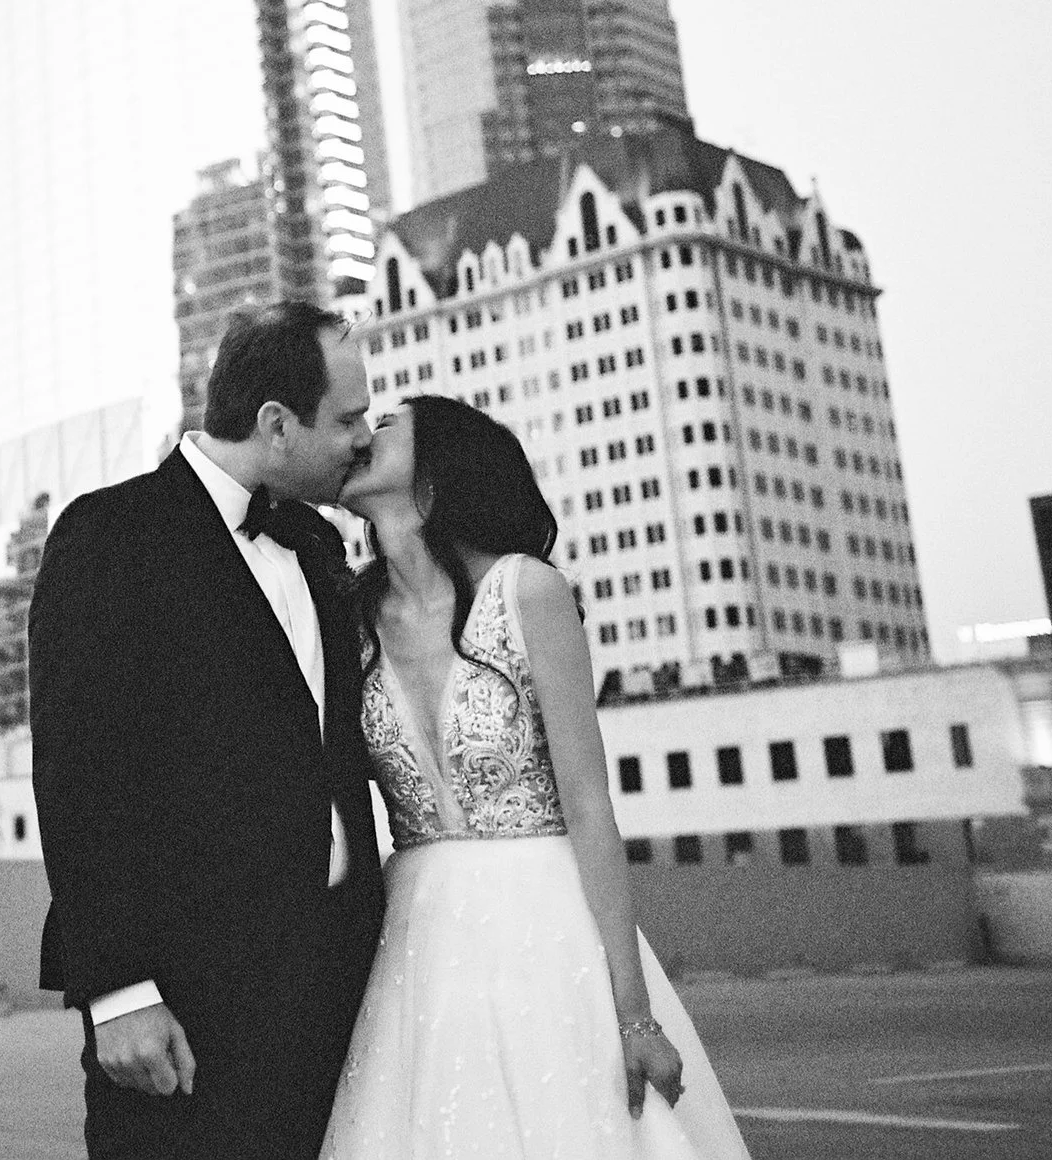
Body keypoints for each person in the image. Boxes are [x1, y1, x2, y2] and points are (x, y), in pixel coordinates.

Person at [319, 393, 751, 1160]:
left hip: (545, 926)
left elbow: (590, 806)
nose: (363, 434)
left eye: (385, 425)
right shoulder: (350, 614)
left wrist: (634, 1015)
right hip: (416, 938)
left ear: (439, 466)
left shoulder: (527, 592)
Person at [29, 302, 387, 1158]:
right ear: (275, 424)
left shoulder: (315, 547)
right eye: (347, 419)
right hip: (187, 1011)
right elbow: (79, 780)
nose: (362, 438)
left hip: (336, 989)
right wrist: (117, 990)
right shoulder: (110, 534)